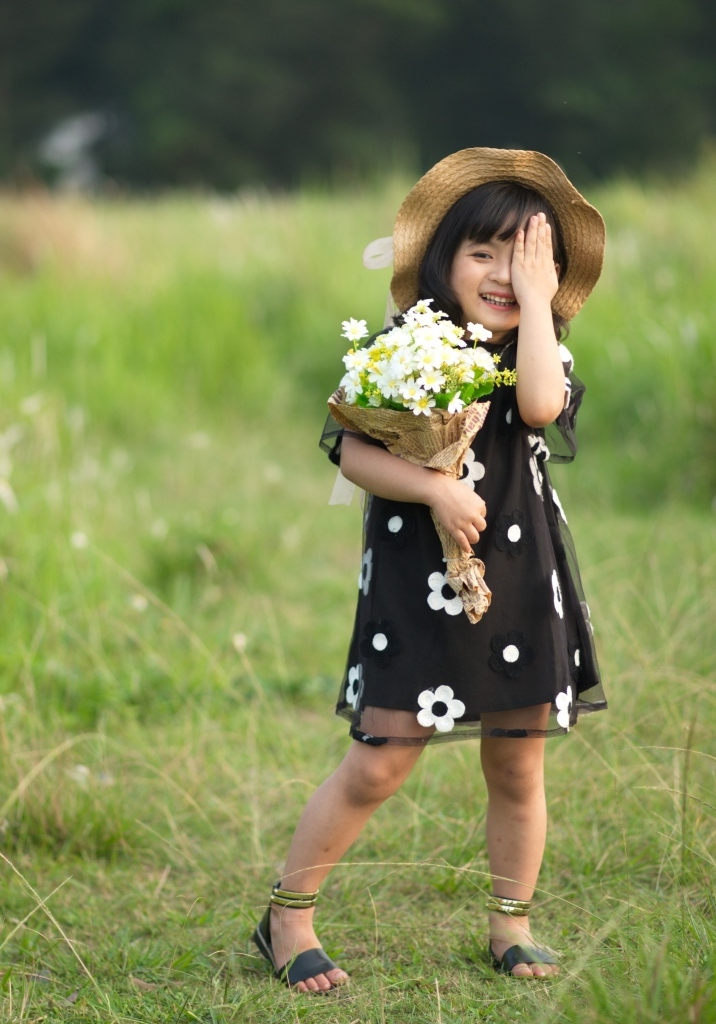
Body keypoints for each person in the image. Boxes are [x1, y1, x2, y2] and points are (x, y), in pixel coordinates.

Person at [252, 148, 608, 992]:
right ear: (442, 258)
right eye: (483, 252)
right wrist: (434, 492)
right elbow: (353, 454)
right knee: (381, 757)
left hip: (520, 576)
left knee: (518, 762)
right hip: (418, 580)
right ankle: (287, 916)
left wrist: (535, 304)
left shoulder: (537, 347)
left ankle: (510, 922)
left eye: (526, 257)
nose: (501, 273)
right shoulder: (409, 345)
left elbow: (539, 408)